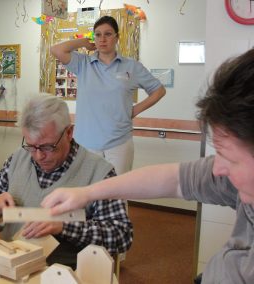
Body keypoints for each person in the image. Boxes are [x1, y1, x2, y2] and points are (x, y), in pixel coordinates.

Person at [42, 48, 254, 283]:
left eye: (231, 158)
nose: (217, 169)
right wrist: (86, 193)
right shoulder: (234, 180)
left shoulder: (130, 67)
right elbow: (172, 179)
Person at [0, 95, 132, 269]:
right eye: (31, 146)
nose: (38, 156)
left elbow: (121, 235)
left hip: (65, 273)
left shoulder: (99, 172)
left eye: (47, 147)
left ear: (68, 133)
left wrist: (65, 227)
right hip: (10, 265)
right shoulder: (17, 159)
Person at [51, 15, 166, 175]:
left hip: (119, 143)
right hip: (86, 143)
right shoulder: (83, 63)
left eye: (108, 34)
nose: (102, 39)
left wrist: (135, 110)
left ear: (117, 37)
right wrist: (83, 42)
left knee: (117, 194)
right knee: (85, 193)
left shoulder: (131, 67)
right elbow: (56, 50)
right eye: (98, 34)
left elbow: (159, 90)